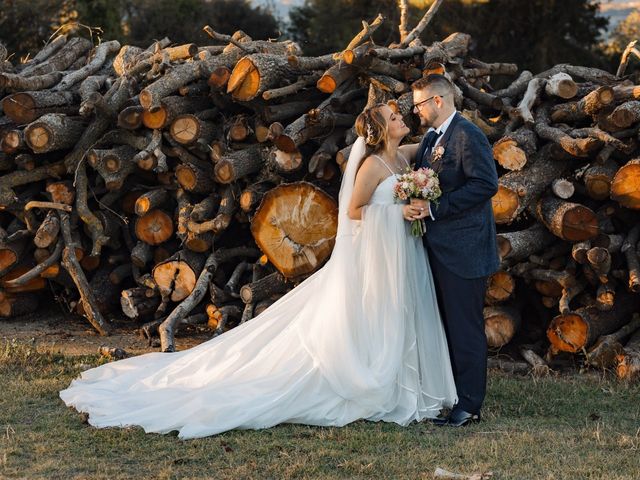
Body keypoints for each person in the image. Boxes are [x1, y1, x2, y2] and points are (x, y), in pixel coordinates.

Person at [59, 103, 457, 439]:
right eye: (394, 116)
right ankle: (375, 377)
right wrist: (397, 210)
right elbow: (354, 212)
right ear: (380, 129)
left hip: (400, 252)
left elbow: (434, 141)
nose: (402, 117)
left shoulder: (400, 156)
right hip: (379, 251)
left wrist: (444, 125)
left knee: (399, 308)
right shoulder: (370, 166)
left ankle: (406, 377)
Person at [403, 74, 500, 427]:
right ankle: (453, 394)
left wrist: (434, 208)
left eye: (418, 105)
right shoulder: (433, 138)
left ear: (437, 101)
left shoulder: (467, 135)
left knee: (464, 328)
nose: (415, 112)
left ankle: (470, 405)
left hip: (465, 249)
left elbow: (486, 184)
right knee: (446, 326)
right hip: (440, 248)